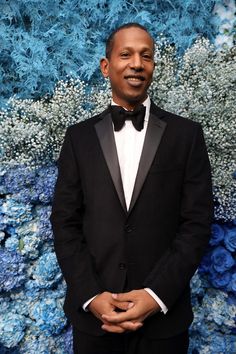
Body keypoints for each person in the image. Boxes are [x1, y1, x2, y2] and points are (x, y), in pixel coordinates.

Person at [50, 23, 213, 354]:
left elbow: (196, 224)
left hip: (163, 326)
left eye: (146, 55)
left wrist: (155, 295)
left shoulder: (187, 136)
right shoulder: (77, 138)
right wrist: (92, 296)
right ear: (106, 66)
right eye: (126, 54)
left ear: (153, 66)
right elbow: (64, 222)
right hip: (95, 322)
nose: (137, 63)